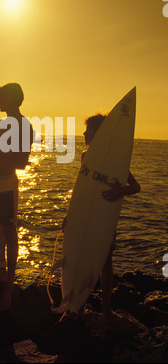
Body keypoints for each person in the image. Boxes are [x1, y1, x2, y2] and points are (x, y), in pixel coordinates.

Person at [64, 113, 140, 316]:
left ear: (100, 133)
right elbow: (80, 189)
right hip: (84, 214)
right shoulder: (85, 157)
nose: (83, 133)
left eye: (88, 130)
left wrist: (119, 191)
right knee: (81, 258)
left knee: (105, 262)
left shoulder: (116, 160)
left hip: (103, 216)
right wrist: (69, 216)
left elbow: (135, 186)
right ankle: (77, 305)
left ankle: (106, 307)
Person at [0, 83, 34, 311]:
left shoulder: (24, 126)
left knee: (10, 233)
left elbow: (22, 162)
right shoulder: (1, 125)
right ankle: (0, 272)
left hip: (6, 186)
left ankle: (9, 291)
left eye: (2, 98)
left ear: (13, 99)